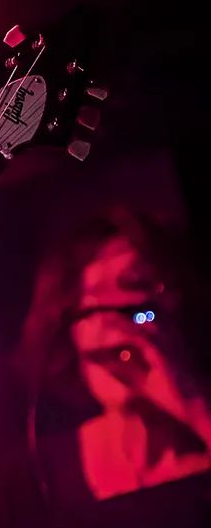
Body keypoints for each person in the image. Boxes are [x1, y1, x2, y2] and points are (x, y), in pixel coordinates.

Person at [20, 206, 211, 504]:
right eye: (90, 304)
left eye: (134, 286)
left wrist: (193, 405)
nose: (111, 319)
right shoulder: (34, 479)